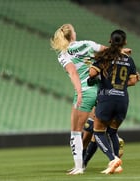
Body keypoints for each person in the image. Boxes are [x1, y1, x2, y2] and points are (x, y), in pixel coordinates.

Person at [50, 24, 105, 175]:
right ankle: (85, 163)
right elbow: (106, 52)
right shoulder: (86, 45)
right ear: (72, 34)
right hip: (99, 90)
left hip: (85, 91)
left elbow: (74, 74)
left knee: (75, 132)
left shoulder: (63, 54)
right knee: (96, 128)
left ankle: (79, 167)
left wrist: (79, 93)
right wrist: (121, 51)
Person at [88, 29, 140, 174]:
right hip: (122, 99)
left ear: (110, 41)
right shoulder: (129, 59)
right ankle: (117, 165)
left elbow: (92, 73)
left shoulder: (105, 57)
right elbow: (134, 80)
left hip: (107, 98)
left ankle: (113, 159)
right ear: (125, 42)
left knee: (97, 132)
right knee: (112, 132)